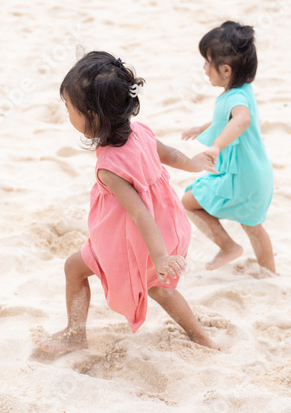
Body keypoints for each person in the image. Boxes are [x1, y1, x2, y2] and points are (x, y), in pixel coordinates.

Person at [36, 51, 218, 354]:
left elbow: (137, 211)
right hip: (165, 228)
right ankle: (200, 335)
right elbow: (171, 155)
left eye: (69, 107)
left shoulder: (109, 165)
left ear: (91, 117)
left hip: (132, 240)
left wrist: (159, 257)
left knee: (74, 268)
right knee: (158, 287)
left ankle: (75, 333)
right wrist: (195, 163)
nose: (67, 113)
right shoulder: (141, 132)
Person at [181, 21, 275, 274]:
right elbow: (228, 118)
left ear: (224, 70)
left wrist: (215, 147)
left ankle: (228, 246)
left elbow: (241, 119)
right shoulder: (243, 91)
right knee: (254, 227)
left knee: (188, 202)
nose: (203, 68)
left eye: (206, 62)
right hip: (258, 173)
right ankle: (270, 275)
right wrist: (202, 128)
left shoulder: (234, 98)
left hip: (240, 176)